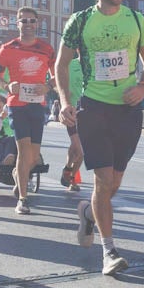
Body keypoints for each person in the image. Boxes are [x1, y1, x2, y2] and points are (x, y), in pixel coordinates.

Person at [54, 0, 144, 275]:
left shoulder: (136, 20)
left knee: (112, 184)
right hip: (94, 107)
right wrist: (64, 101)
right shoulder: (81, 21)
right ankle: (109, 250)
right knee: (102, 178)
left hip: (127, 110)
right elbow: (60, 65)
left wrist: (143, 86)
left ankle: (89, 213)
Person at [0, 5, 55, 214]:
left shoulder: (46, 49)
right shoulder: (8, 48)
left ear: (37, 24)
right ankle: (23, 198)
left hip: (37, 105)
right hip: (17, 106)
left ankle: (17, 177)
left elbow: (56, 76)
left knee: (33, 156)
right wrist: (7, 86)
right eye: (23, 21)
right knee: (23, 150)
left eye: (31, 21)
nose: (27, 25)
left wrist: (48, 86)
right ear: (17, 24)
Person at [59, 55, 86, 192]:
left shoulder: (95, 63)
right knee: (80, 150)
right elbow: (57, 84)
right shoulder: (69, 64)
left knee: (77, 147)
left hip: (88, 114)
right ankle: (70, 174)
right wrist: (65, 100)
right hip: (72, 112)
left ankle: (70, 173)